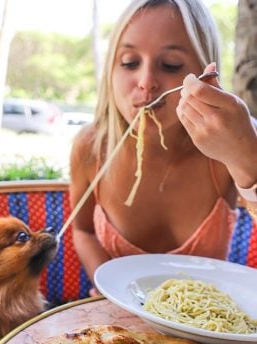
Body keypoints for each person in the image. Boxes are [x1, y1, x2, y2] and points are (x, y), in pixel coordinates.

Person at [69, 0, 257, 294]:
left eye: (170, 65)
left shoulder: (226, 145)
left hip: (207, 329)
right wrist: (109, 287)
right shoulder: (92, 146)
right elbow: (83, 230)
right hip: (115, 327)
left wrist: (246, 156)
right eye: (130, 62)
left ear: (206, 74)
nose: (146, 82)